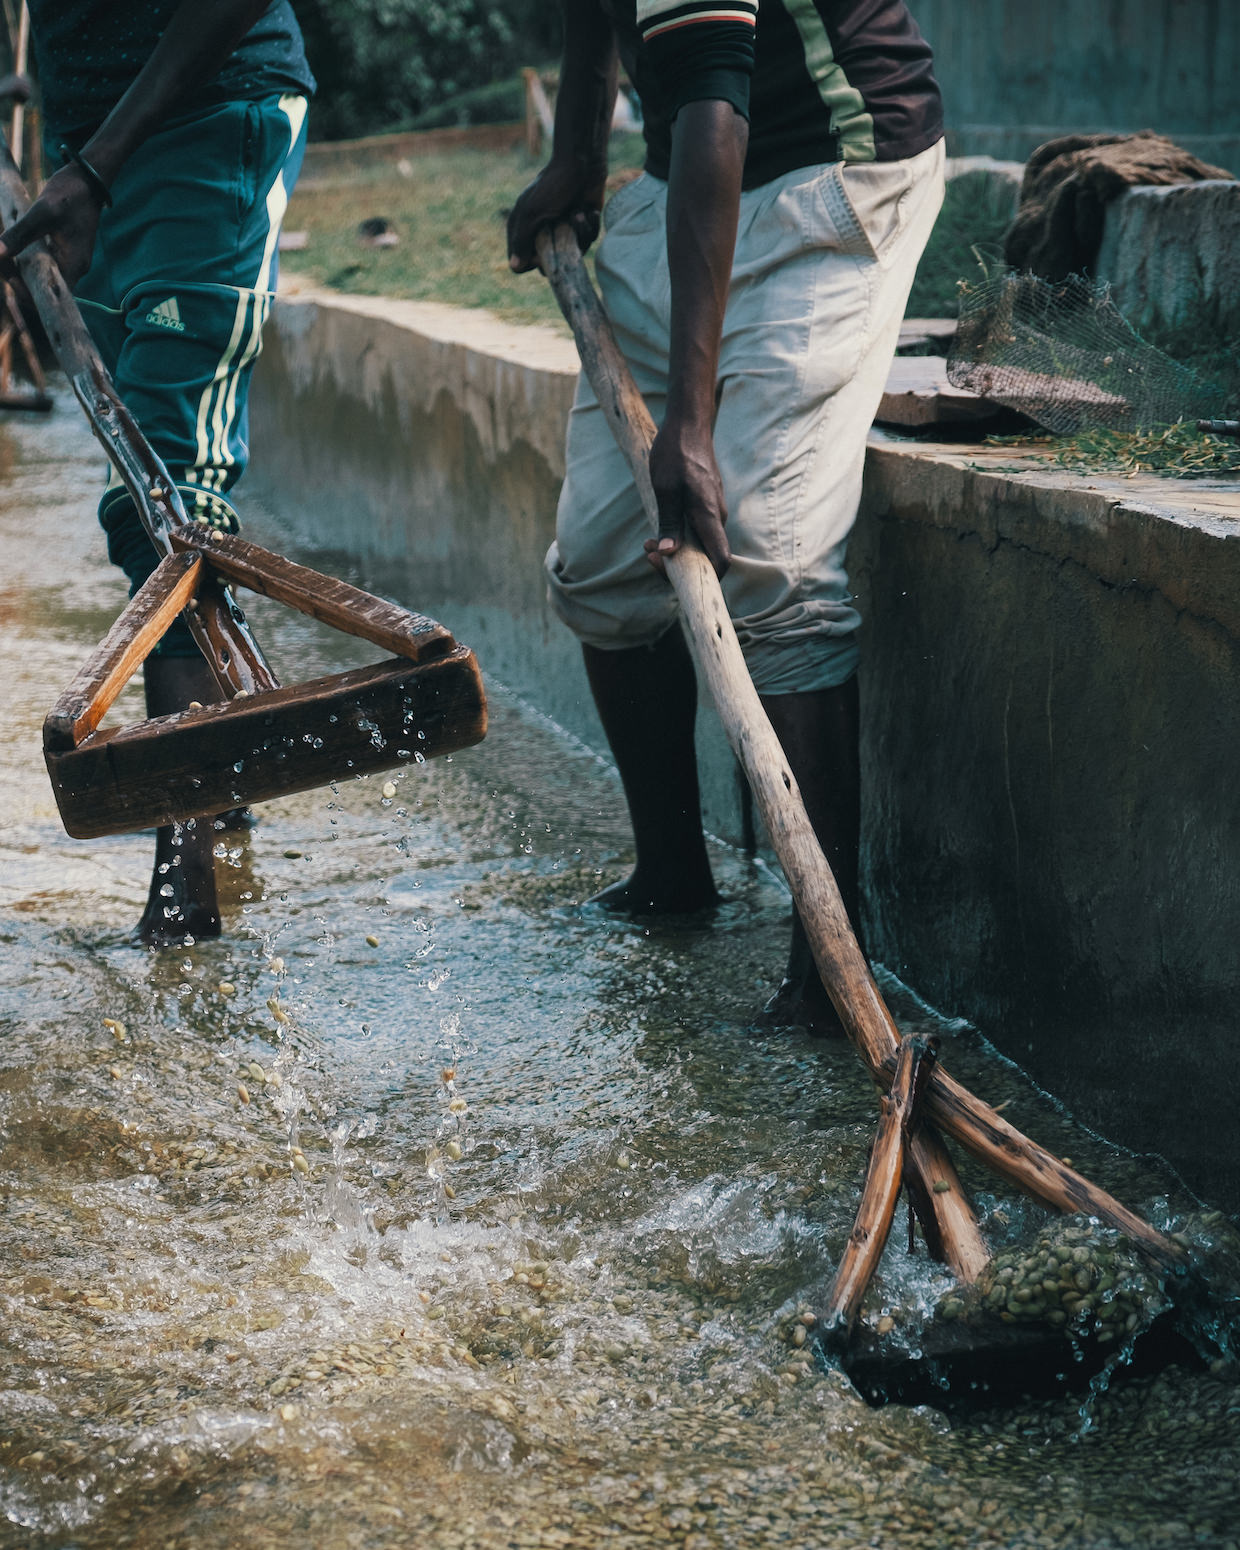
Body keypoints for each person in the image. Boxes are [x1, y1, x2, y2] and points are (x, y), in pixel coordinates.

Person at [508, 0, 946, 1030]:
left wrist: (689, 427)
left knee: (768, 556)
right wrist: (578, 156)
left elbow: (716, 99)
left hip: (826, 183)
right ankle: (671, 872)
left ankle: (830, 962)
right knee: (600, 562)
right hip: (685, 181)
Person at [0, 1, 314, 944]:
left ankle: (186, 896)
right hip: (88, 153)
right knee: (147, 508)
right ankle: (221, 776)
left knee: (166, 503)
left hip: (213, 116)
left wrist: (93, 169)